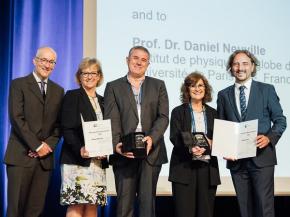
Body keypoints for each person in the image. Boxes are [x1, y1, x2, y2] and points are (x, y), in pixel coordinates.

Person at [217, 50, 287, 217]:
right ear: (231, 68)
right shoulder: (223, 95)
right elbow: (222, 127)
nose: (240, 68)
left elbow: (280, 120)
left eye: (245, 63)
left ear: (252, 66)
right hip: (237, 163)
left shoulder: (267, 90)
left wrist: (269, 138)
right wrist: (224, 149)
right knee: (244, 209)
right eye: (236, 64)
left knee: (264, 207)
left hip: (262, 158)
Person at [104, 46, 169, 217]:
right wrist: (117, 145)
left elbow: (163, 117)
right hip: (123, 153)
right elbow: (111, 119)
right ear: (127, 60)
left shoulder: (158, 85)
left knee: (147, 206)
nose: (139, 62)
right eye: (135, 58)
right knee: (124, 207)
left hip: (151, 153)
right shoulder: (113, 87)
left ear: (148, 64)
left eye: (143, 60)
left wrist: (151, 138)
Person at [4, 47, 64, 217]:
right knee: (15, 209)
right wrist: (37, 146)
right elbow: (16, 118)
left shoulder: (58, 91)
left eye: (51, 62)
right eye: (43, 60)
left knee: (35, 211)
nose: (47, 65)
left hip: (44, 161)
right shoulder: (18, 84)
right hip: (20, 157)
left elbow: (59, 125)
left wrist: (46, 147)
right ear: (35, 60)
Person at [60, 58, 108, 217]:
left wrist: (105, 150)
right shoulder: (72, 96)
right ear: (79, 76)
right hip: (77, 160)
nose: (89, 76)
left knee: (92, 205)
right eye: (85, 73)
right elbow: (67, 128)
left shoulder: (103, 101)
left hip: (97, 162)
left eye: (93, 73)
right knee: (77, 205)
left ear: (99, 76)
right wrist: (79, 148)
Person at [169, 72, 220, 217]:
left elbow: (222, 139)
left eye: (200, 85)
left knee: (206, 212)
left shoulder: (214, 113)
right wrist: (191, 148)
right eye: (193, 86)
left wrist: (213, 143)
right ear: (187, 89)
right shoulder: (178, 112)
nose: (197, 89)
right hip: (184, 168)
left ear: (206, 89)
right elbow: (175, 137)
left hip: (207, 168)